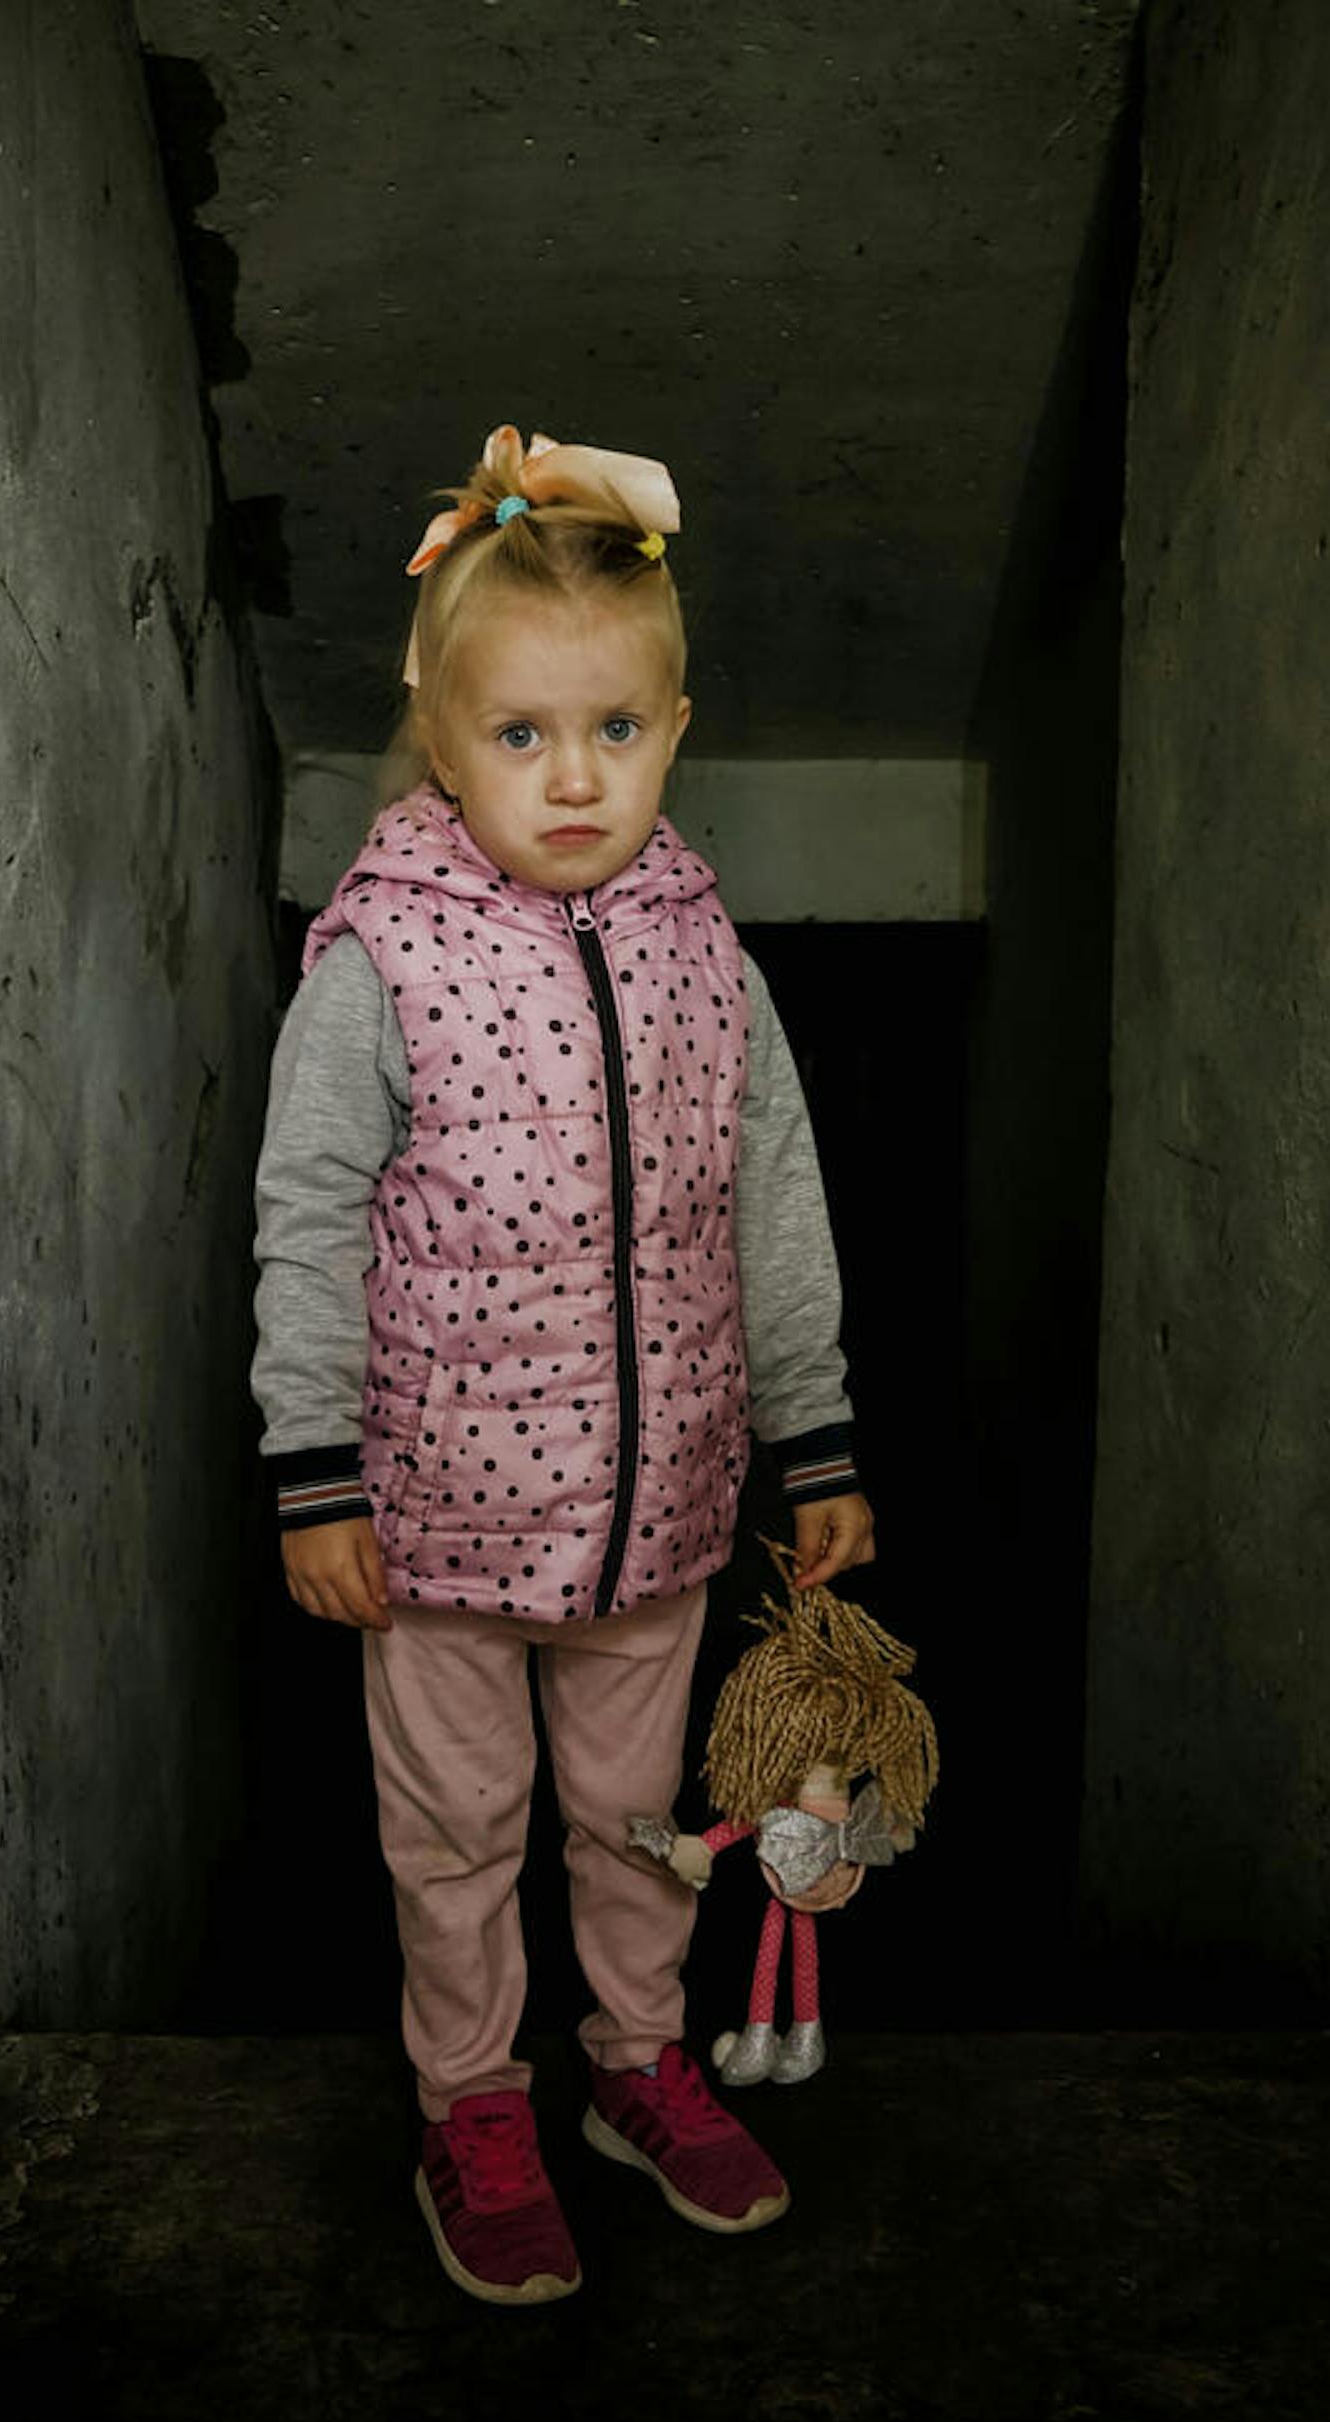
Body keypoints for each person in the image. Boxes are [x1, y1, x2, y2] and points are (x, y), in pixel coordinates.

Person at [250, 426, 876, 2307]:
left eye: (617, 729)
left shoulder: (709, 955)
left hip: (662, 1516)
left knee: (637, 1827)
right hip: (432, 1526)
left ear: (677, 726)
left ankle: (632, 2068)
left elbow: (771, 1196)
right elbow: (304, 1217)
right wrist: (315, 1472)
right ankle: (473, 2103)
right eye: (522, 736)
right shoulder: (383, 960)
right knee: (456, 1839)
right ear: (441, 736)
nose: (576, 777)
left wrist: (815, 1434)